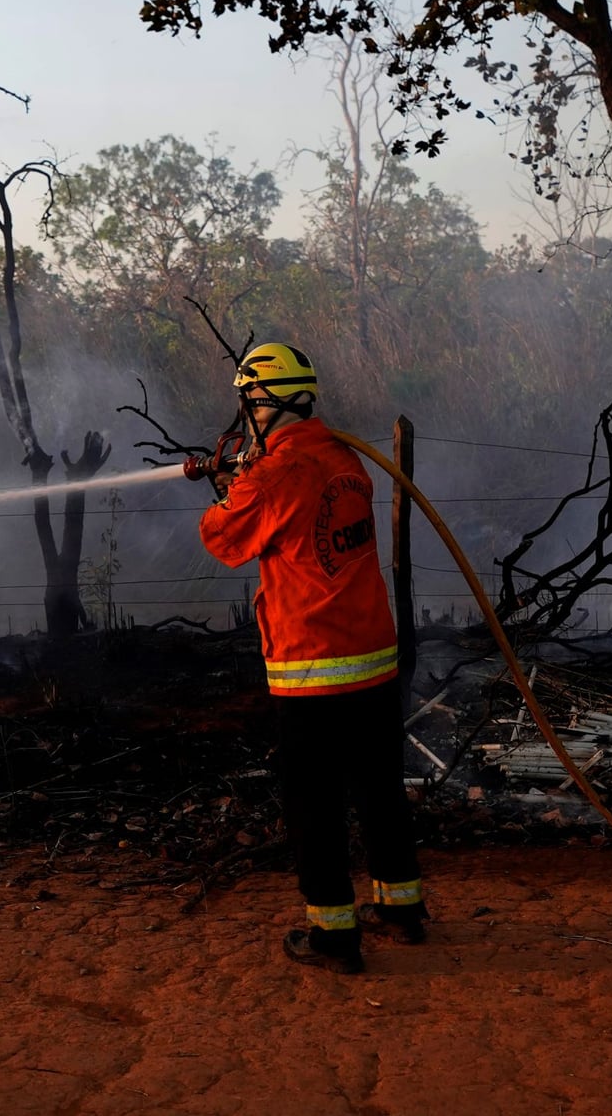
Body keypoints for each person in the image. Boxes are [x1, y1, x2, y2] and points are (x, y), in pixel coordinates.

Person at [197, 341, 425, 974]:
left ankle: (334, 936)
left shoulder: (274, 477)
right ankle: (402, 909)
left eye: (248, 405)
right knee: (380, 788)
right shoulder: (347, 460)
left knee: (314, 803)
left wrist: (229, 490)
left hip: (310, 667)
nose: (245, 418)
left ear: (265, 402)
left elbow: (221, 538)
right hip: (372, 656)